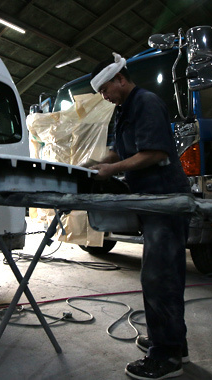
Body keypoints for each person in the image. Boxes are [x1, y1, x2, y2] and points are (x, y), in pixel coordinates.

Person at [87, 53, 191, 379]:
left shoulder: (146, 102)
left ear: (120, 78)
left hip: (166, 199)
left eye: (105, 89)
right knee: (156, 276)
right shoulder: (122, 111)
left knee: (160, 278)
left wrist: (112, 170)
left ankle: (168, 356)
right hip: (151, 203)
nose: (104, 96)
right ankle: (171, 342)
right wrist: (96, 162)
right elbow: (120, 148)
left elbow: (155, 152)